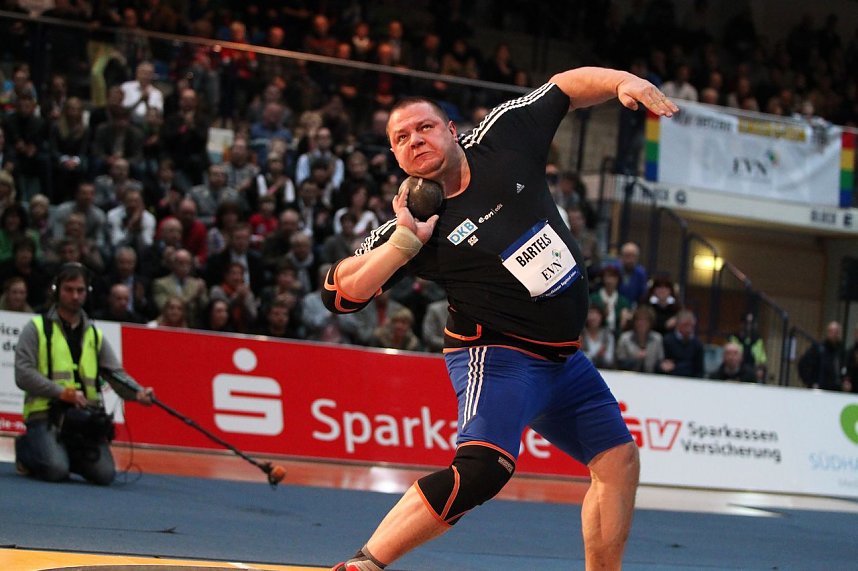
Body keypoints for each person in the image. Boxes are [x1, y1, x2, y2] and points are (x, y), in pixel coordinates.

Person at [321, 67, 677, 570]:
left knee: (618, 461)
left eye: (424, 127)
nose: (415, 140)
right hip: (498, 354)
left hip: (562, 360)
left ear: (450, 129)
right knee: (483, 468)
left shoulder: (503, 137)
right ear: (397, 157)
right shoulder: (415, 221)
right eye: (401, 138)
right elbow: (339, 292)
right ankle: (363, 564)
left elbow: (565, 86)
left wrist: (621, 81)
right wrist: (404, 244)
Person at [14, 262, 154, 485]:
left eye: (80, 290)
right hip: (46, 415)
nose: (75, 296)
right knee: (55, 471)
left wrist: (137, 393)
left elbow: (115, 374)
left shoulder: (94, 335)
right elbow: (23, 374)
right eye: (69, 290)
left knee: (105, 476)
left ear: (87, 292)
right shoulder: (37, 328)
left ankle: (60, 454)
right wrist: (61, 393)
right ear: (56, 290)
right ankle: (26, 449)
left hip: (84, 419)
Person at [798, 321, 845, 391]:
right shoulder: (818, 348)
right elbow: (802, 364)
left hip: (836, 390)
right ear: (828, 332)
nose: (834, 334)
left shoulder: (841, 350)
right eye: (832, 332)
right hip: (820, 389)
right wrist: (810, 383)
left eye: (837, 332)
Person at [616, 305, 664, 373]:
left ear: (651, 323)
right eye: (639, 320)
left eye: (645, 320)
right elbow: (619, 363)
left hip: (651, 377)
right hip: (629, 376)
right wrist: (634, 359)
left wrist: (663, 366)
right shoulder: (625, 338)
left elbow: (659, 362)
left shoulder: (657, 339)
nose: (641, 323)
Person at [660, 309, 705, 378]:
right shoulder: (668, 340)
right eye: (686, 325)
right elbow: (663, 363)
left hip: (691, 380)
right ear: (678, 325)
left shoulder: (697, 344)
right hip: (670, 378)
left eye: (691, 326)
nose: (689, 329)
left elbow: (699, 369)